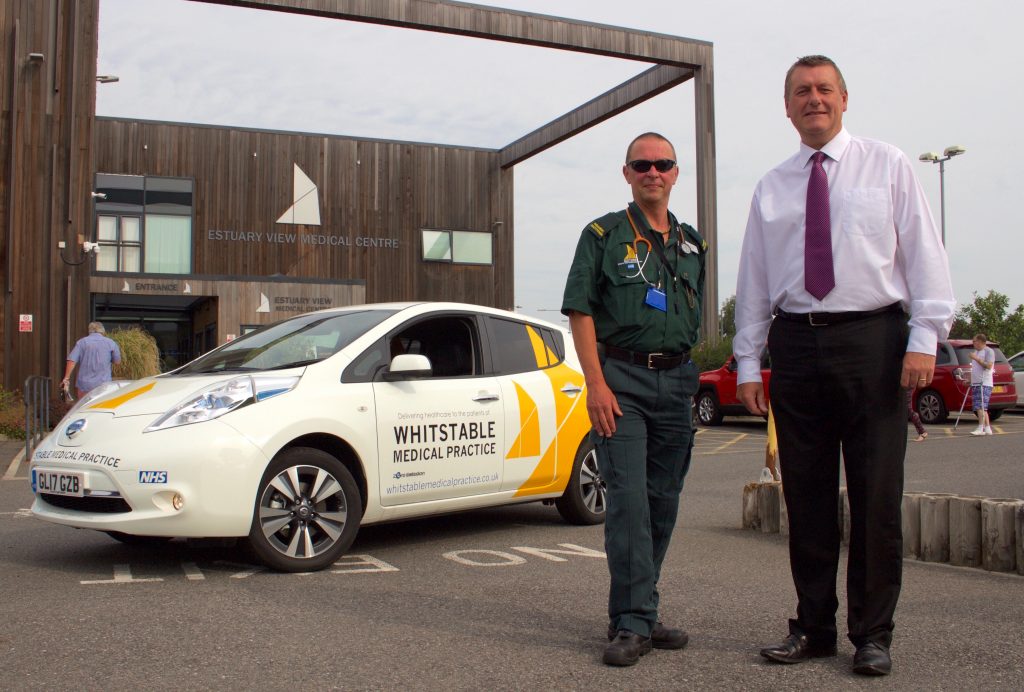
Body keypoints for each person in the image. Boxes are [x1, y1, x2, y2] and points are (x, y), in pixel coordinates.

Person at [733, 55, 955, 676]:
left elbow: (923, 252)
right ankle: (814, 627)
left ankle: (873, 635)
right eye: (801, 91)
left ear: (844, 99)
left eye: (824, 89)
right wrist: (748, 363)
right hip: (796, 345)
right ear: (787, 107)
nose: (814, 99)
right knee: (805, 499)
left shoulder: (887, 164)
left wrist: (925, 336)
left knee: (876, 495)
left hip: (875, 343)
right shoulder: (772, 186)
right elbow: (753, 281)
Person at [561, 132, 706, 667]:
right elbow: (581, 312)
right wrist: (595, 384)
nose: (653, 172)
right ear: (626, 173)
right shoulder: (602, 235)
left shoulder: (694, 244)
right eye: (642, 164)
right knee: (627, 505)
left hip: (677, 382)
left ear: (674, 173)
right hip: (621, 382)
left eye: (662, 164)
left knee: (662, 503)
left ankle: (641, 607)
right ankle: (632, 623)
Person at [62, 321, 121, 398]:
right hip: (103, 385)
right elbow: (117, 362)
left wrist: (66, 378)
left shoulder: (82, 342)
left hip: (84, 385)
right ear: (103, 331)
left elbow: (71, 360)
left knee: (84, 407)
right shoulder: (111, 343)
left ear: (89, 331)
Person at [968, 333, 995, 436]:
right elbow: (975, 369)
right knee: (982, 407)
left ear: (980, 341)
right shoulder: (976, 352)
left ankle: (980, 427)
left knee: (980, 406)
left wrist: (976, 358)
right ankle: (987, 428)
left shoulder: (988, 351)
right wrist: (970, 380)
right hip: (976, 382)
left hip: (984, 383)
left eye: (974, 341)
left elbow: (988, 365)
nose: (973, 343)